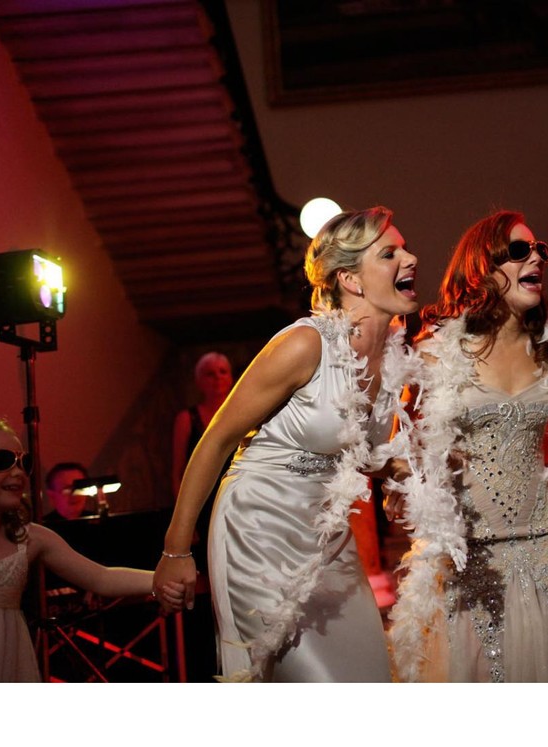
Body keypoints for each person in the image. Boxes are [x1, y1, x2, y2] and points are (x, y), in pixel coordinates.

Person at [153, 207, 420, 682]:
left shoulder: (394, 357)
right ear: (351, 280)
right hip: (259, 527)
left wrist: (430, 471)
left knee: (368, 676)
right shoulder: (304, 344)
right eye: (390, 253)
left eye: (404, 247)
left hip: (330, 536)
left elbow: (373, 454)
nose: (411, 258)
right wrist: (176, 551)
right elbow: (215, 440)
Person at [387, 210, 548, 683]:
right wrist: (417, 470)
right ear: (483, 266)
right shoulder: (435, 354)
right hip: (474, 563)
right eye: (520, 251)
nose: (537, 258)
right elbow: (398, 455)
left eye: (540, 251)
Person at [0, 416, 182, 682]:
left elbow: (102, 577)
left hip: (7, 658)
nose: (18, 472)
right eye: (0, 461)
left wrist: (165, 579)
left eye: (24, 463)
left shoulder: (30, 538)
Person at [171, 351, 234, 566]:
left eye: (222, 372)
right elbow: (178, 472)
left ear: (231, 377)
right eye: (210, 373)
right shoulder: (187, 419)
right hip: (203, 501)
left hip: (236, 497)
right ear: (199, 381)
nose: (217, 378)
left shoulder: (242, 414)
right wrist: (185, 522)